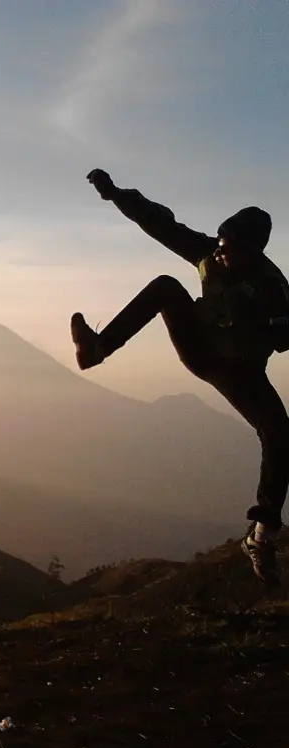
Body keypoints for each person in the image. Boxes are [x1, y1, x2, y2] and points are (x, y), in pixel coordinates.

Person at [73, 169, 289, 587]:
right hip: (201, 349)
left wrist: (265, 328)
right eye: (222, 245)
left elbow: (283, 333)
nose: (223, 255)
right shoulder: (209, 252)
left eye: (233, 251)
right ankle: (99, 349)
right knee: (167, 285)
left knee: (280, 434)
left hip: (241, 371)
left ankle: (261, 536)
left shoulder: (272, 287)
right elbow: (161, 223)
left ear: (255, 253)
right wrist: (116, 194)